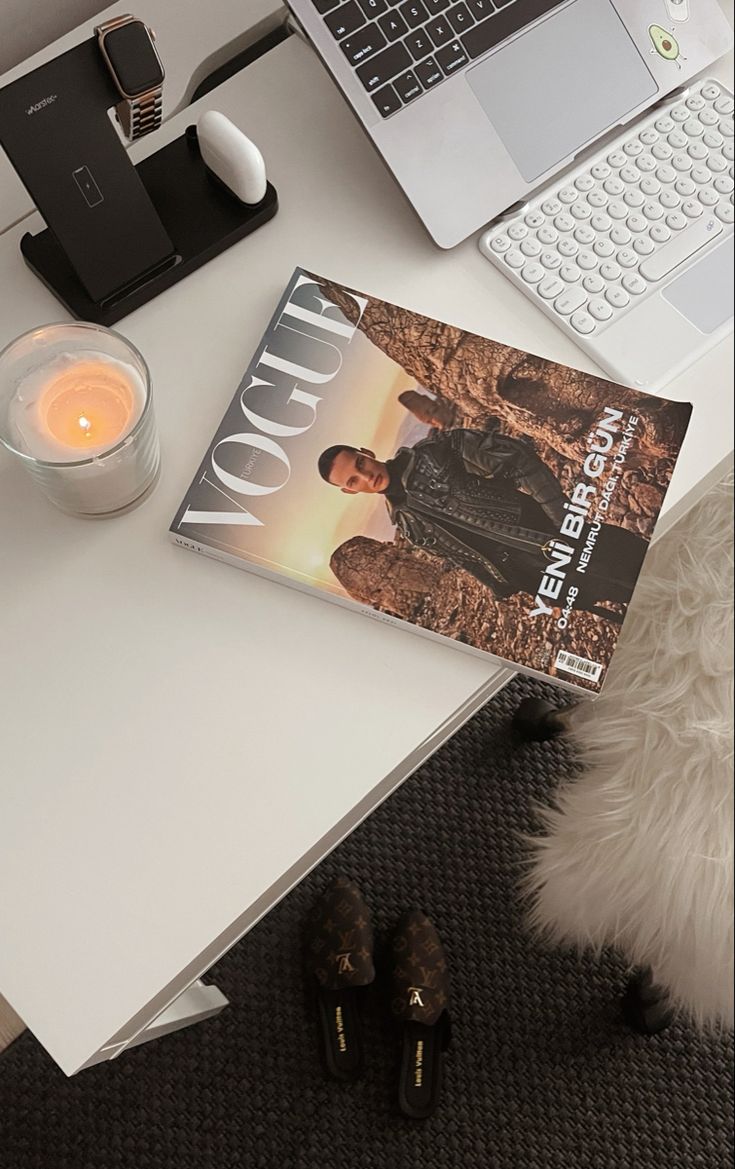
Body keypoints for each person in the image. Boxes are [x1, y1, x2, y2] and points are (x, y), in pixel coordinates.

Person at [317, 423, 648, 621]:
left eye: (360, 462)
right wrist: (504, 588)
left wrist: (563, 519)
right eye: (354, 479)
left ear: (366, 452)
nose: (365, 475)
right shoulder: (404, 523)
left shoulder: (436, 451)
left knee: (638, 565)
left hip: (545, 534)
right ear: (349, 490)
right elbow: (461, 557)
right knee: (617, 598)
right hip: (526, 573)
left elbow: (518, 459)